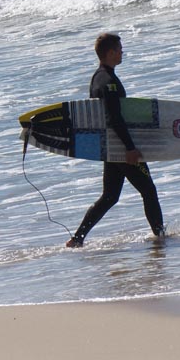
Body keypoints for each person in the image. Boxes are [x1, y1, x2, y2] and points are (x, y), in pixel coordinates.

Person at [65, 33, 165, 248]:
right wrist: (129, 148)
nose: (122, 52)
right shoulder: (109, 82)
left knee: (110, 196)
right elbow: (114, 118)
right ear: (110, 52)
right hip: (119, 146)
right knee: (148, 191)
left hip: (109, 145)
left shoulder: (97, 77)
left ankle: (77, 239)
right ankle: (160, 238)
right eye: (119, 49)